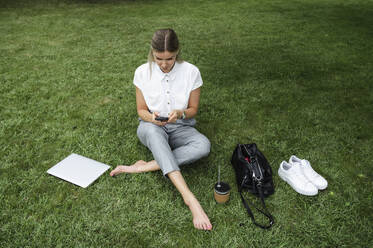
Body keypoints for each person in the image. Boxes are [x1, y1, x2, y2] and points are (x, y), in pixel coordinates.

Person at [110, 29, 212, 230]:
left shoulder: (192, 72)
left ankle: (145, 165)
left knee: (203, 145)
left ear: (177, 52)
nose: (164, 64)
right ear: (152, 53)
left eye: (170, 58)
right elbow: (141, 111)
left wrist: (181, 113)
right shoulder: (141, 72)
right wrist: (152, 118)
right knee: (155, 136)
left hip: (181, 126)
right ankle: (190, 198)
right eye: (159, 59)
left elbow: (193, 110)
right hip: (151, 127)